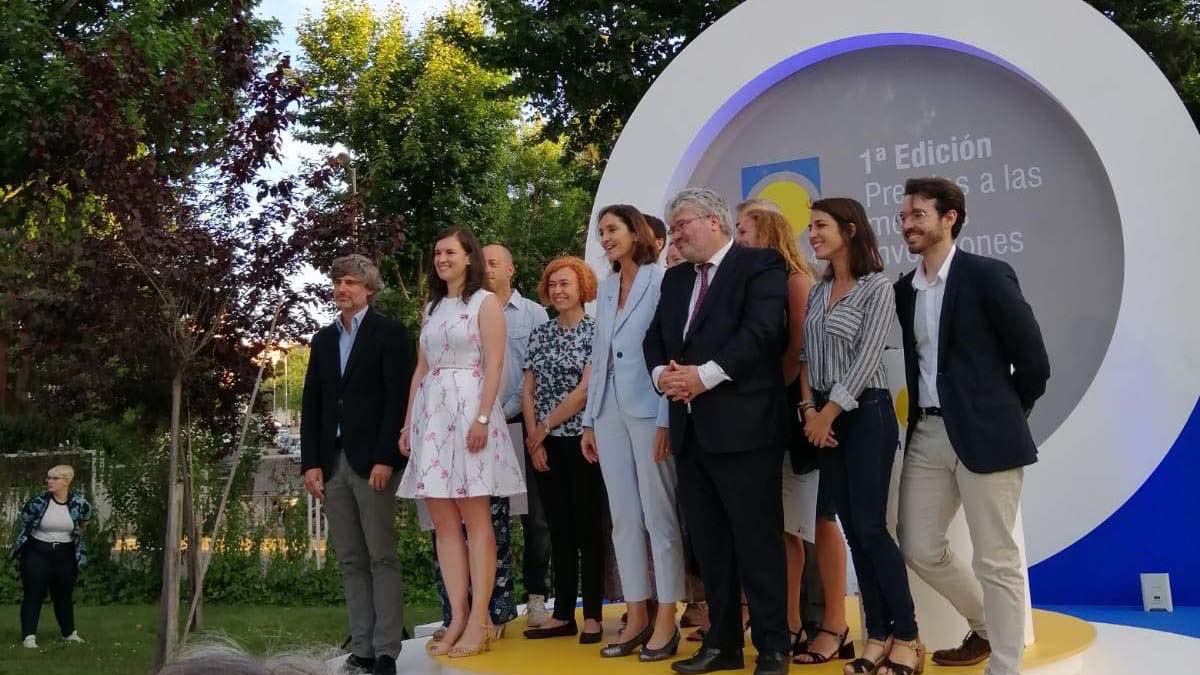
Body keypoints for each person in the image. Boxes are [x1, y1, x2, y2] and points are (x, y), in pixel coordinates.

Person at [894, 178, 1049, 675]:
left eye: (917, 214)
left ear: (949, 218)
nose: (907, 224)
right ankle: (985, 625)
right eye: (903, 217)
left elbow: (1033, 363)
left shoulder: (987, 275)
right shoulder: (904, 290)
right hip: (927, 434)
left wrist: (1004, 414)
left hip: (987, 434)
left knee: (997, 558)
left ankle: (1004, 665)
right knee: (917, 544)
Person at [645, 188, 791, 675]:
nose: (677, 234)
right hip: (691, 434)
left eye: (683, 223)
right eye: (673, 227)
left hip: (746, 430)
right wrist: (662, 377)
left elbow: (764, 331)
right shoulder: (674, 280)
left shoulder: (760, 265)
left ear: (715, 221)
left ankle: (772, 647)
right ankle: (722, 645)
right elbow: (655, 339)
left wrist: (702, 375)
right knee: (709, 546)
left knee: (757, 542)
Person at [800, 197, 921, 675]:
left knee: (871, 529)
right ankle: (877, 636)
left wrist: (829, 414)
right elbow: (807, 358)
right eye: (810, 226)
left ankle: (908, 635)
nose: (812, 234)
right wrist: (810, 411)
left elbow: (870, 357)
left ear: (850, 229)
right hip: (822, 417)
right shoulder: (817, 289)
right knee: (852, 529)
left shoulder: (876, 287)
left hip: (864, 413)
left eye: (821, 225)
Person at [398, 227, 526, 659]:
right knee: (444, 523)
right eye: (437, 252)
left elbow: (494, 365)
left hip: (471, 413)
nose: (441, 259)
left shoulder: (485, 303)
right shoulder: (432, 306)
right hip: (432, 420)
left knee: (478, 521)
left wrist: (484, 417)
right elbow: (420, 369)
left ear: (469, 256)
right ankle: (456, 615)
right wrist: (407, 425)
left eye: (449, 252)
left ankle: (482, 619)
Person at [733, 201, 852, 664]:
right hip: (769, 418)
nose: (738, 237)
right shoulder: (747, 284)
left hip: (801, 414)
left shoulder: (796, 282)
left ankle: (835, 623)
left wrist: (772, 398)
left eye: (744, 229)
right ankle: (790, 623)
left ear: (767, 232)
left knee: (820, 521)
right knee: (785, 528)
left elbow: (799, 353)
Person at [582, 203, 685, 662]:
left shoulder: (661, 281)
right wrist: (588, 418)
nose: (605, 238)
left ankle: (668, 616)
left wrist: (667, 417)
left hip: (650, 411)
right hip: (607, 414)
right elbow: (601, 354)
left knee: (659, 518)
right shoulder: (604, 289)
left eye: (613, 229)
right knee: (623, 518)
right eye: (601, 231)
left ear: (635, 232)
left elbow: (669, 351)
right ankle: (637, 614)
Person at [300, 254, 410, 675]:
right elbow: (313, 404)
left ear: (368, 289)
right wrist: (311, 462)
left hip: (373, 463)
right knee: (349, 558)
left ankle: (386, 650)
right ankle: (361, 648)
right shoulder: (323, 340)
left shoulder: (390, 334)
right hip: (333, 464)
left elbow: (396, 401)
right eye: (337, 282)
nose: (342, 289)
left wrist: (386, 456)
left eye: (350, 282)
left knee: (381, 555)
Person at [520, 256, 607, 644]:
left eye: (565, 284)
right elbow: (528, 390)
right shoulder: (540, 334)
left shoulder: (595, 331)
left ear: (582, 287)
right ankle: (562, 615)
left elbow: (585, 391)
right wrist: (535, 438)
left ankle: (591, 617)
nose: (557, 290)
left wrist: (544, 427)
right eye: (552, 284)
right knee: (558, 531)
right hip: (544, 444)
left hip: (584, 442)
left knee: (588, 528)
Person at [10, 464, 92, 648]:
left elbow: (83, 523)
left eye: (55, 478)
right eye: (48, 478)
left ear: (66, 481)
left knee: (63, 594)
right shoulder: (38, 502)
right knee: (34, 593)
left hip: (65, 554)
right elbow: (25, 521)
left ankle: (69, 633)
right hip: (37, 552)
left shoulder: (80, 504)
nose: (50, 482)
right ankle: (29, 636)